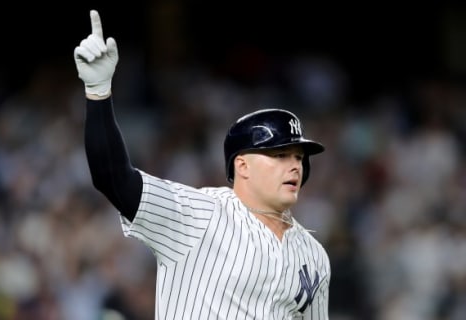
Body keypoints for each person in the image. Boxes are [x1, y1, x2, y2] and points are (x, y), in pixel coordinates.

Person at [74, 9, 331, 320]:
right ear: (243, 166)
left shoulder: (314, 254)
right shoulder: (199, 215)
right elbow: (111, 177)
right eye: (279, 155)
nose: (294, 166)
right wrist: (98, 92)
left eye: (298, 157)